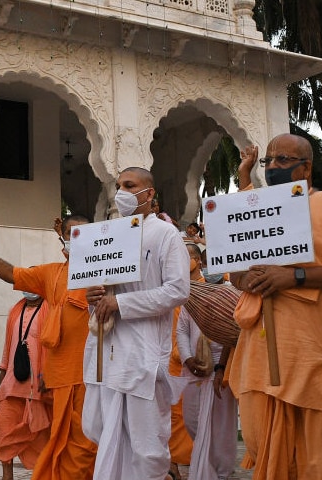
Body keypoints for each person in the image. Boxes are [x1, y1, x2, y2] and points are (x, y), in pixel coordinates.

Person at [226, 124, 322, 479]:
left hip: (312, 353)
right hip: (260, 354)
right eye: (269, 160)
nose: (272, 167)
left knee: (315, 460)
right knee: (258, 442)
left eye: (283, 159)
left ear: (307, 168)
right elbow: (233, 272)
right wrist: (245, 277)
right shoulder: (253, 209)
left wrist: (294, 276)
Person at [0, 215, 98, 480]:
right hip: (59, 377)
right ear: (63, 240)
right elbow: (12, 274)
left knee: (86, 445)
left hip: (91, 376)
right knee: (60, 443)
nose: (77, 239)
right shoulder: (51, 274)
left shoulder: (106, 274)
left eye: (84, 233)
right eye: (72, 234)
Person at [82, 167, 191, 479]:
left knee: (146, 447)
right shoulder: (111, 235)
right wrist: (97, 295)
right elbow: (104, 291)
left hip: (143, 357)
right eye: (119, 186)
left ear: (149, 193)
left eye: (130, 186)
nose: (122, 192)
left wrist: (121, 303)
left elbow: (177, 290)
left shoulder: (165, 234)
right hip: (107, 353)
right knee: (100, 430)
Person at [177, 243, 238, 480]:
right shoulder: (190, 295)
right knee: (192, 420)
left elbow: (235, 334)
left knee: (222, 426)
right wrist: (188, 358)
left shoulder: (233, 293)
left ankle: (220, 472)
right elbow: (182, 329)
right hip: (194, 368)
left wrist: (221, 367)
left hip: (221, 369)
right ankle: (206, 464)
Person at [0, 292, 51, 480]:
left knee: (39, 434)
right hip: (12, 383)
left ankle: (40, 474)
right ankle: (7, 476)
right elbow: (8, 347)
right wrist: (2, 374)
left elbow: (53, 346)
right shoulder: (15, 311)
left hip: (38, 385)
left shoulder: (51, 310)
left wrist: (49, 376)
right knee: (2, 429)